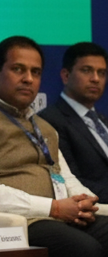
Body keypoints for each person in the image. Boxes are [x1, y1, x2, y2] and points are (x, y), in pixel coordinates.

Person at [0, 35, 108, 257]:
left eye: (35, 72)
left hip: (60, 217)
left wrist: (84, 201)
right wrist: (54, 208)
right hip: (17, 224)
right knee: (85, 249)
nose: (28, 79)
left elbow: (65, 177)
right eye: (18, 69)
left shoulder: (43, 126)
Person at [41, 42, 108, 203]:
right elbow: (72, 181)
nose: (96, 79)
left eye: (102, 73)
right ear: (66, 76)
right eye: (86, 70)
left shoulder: (102, 120)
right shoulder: (50, 120)